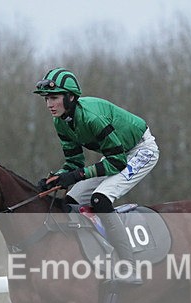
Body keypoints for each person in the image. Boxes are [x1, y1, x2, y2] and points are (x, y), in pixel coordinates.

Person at [34, 68, 159, 285]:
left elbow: (117, 163)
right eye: (46, 99)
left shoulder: (92, 118)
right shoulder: (60, 121)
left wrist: (76, 175)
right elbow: (74, 163)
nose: (49, 104)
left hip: (140, 151)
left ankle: (128, 266)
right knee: (71, 200)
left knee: (100, 199)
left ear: (70, 97)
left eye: (54, 98)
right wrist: (55, 179)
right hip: (117, 154)